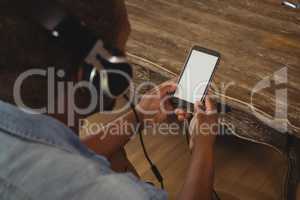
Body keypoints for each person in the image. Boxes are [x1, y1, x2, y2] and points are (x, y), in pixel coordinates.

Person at [0, 0, 219, 199]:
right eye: (121, 54)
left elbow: (57, 154)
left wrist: (139, 115)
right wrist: (203, 145)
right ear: (97, 75)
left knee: (115, 158)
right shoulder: (103, 192)